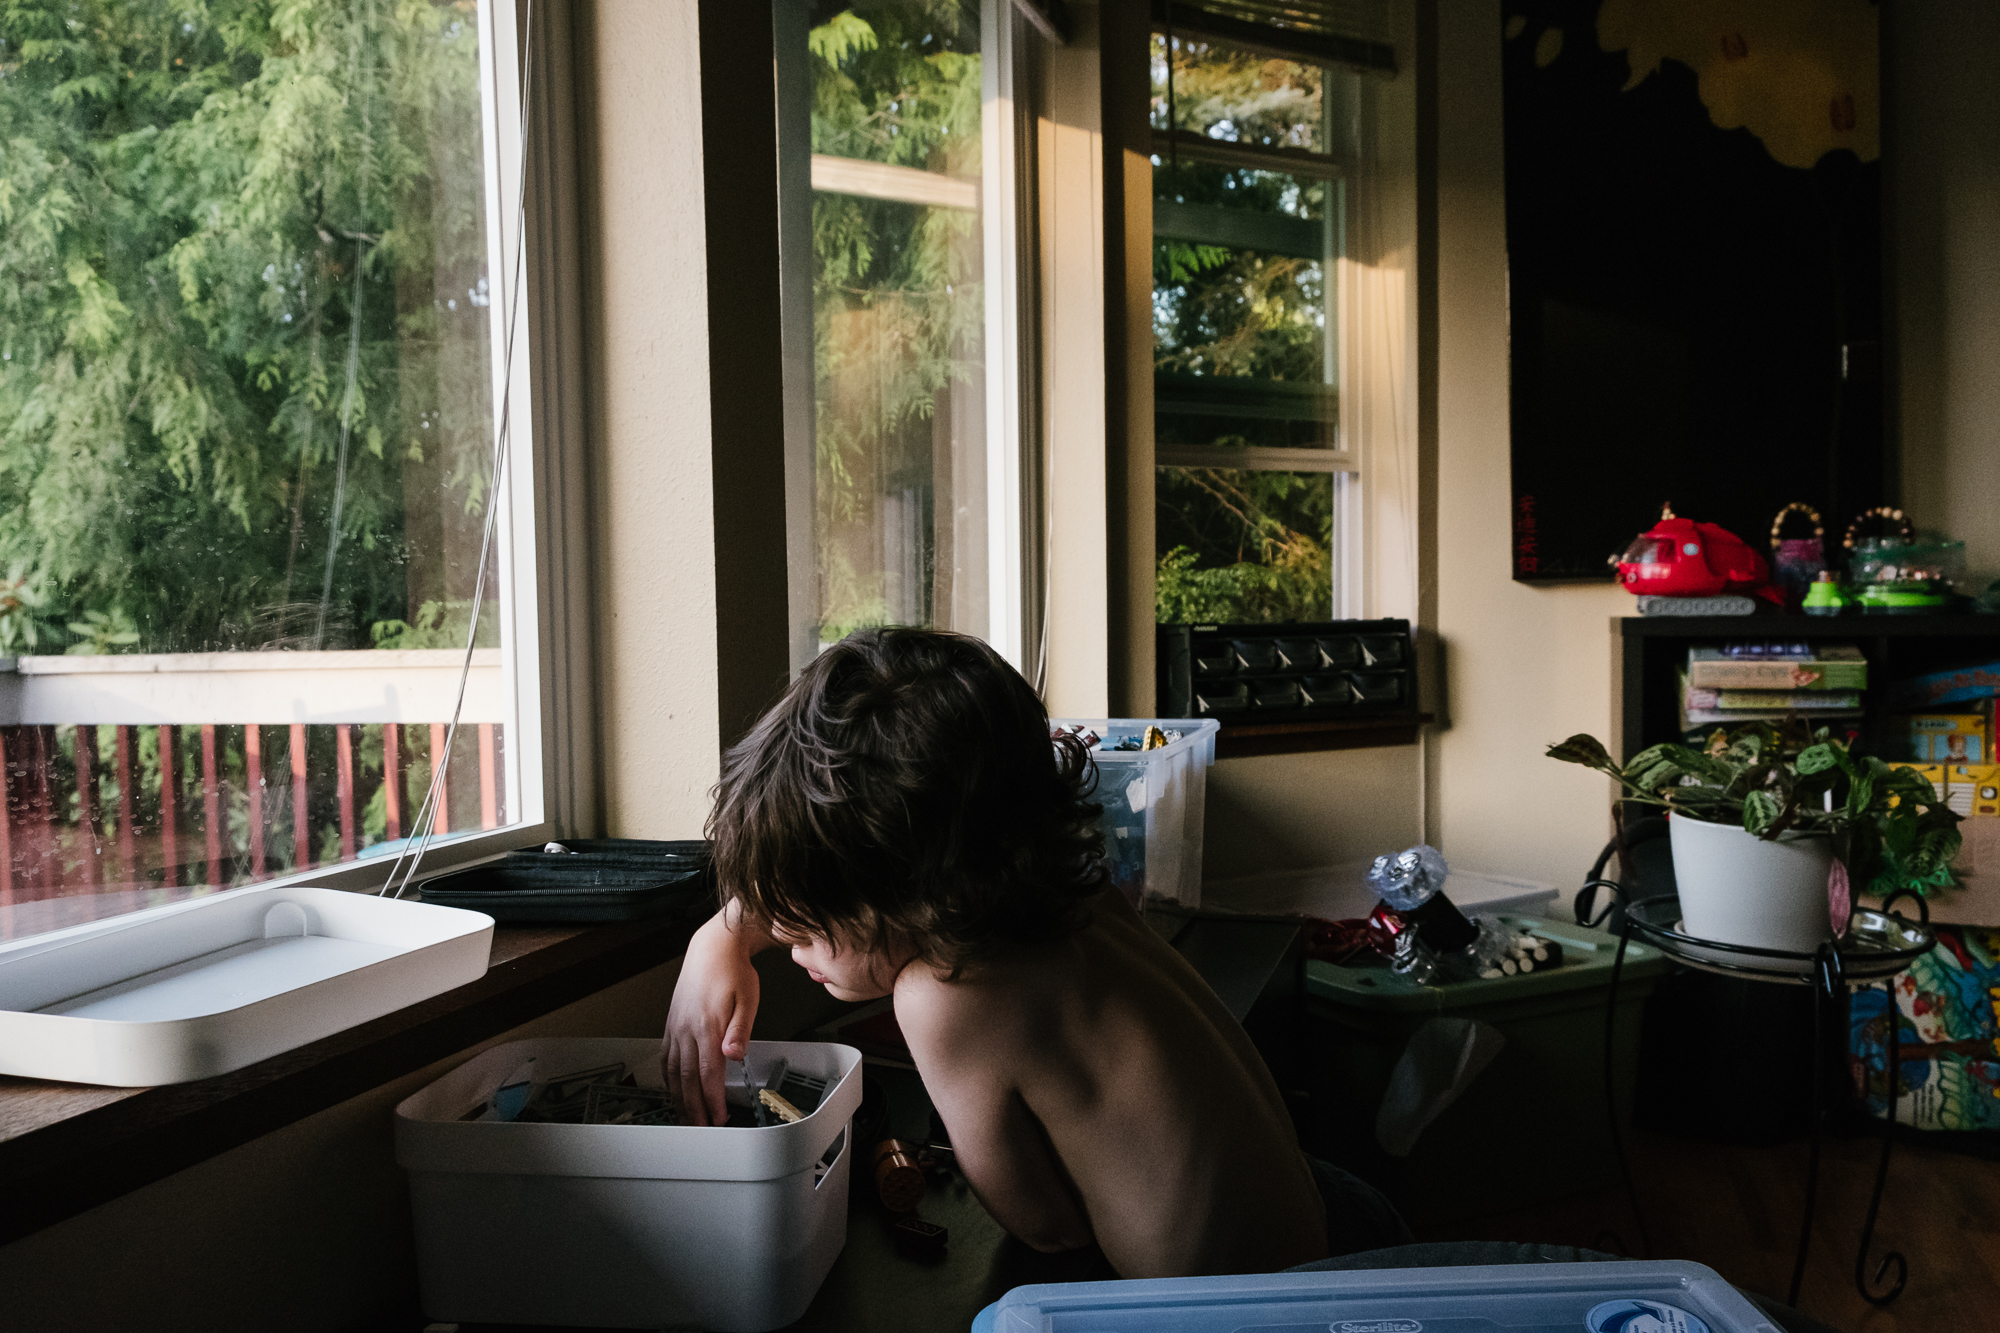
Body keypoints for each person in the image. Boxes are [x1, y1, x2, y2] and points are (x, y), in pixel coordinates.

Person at [662, 628, 1405, 1278]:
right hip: (1337, 1214)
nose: (788, 943)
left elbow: (1050, 1226)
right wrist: (721, 935)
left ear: (913, 890)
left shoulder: (943, 995)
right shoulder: (1071, 890)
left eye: (811, 919)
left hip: (1251, 1309)